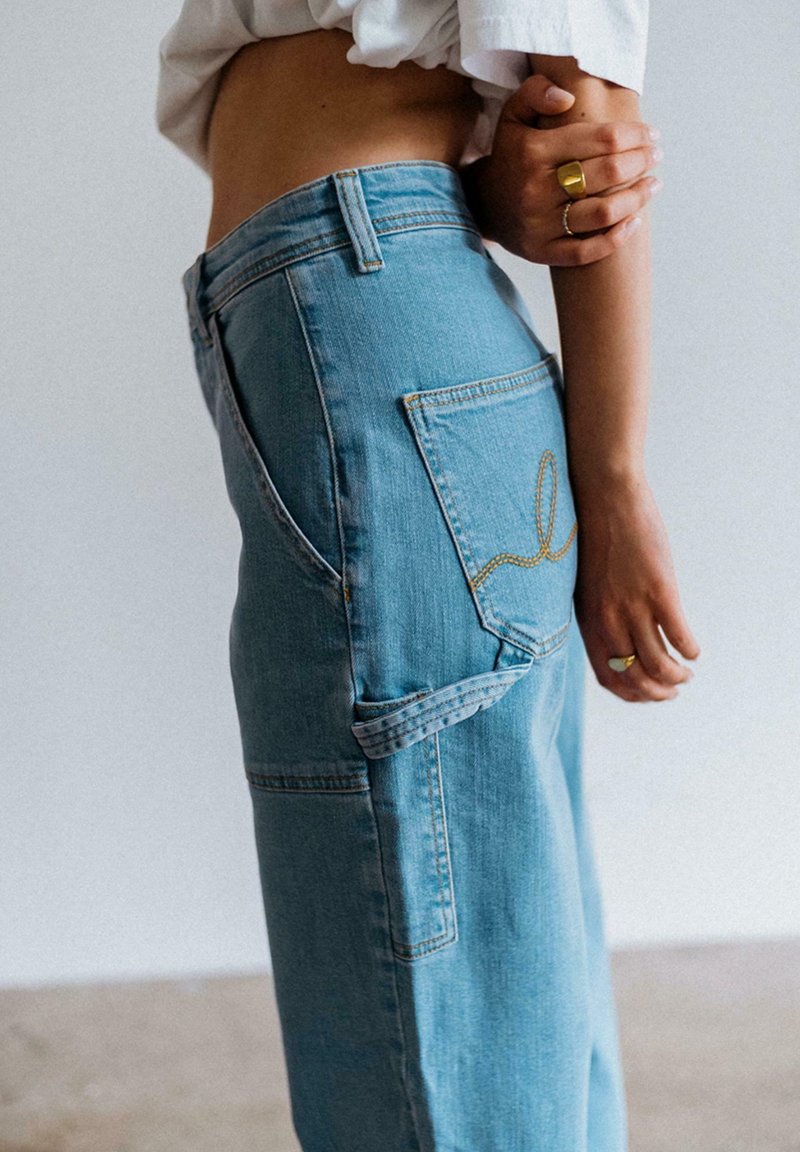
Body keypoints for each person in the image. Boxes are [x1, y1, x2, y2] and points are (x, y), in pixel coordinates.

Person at [157, 5, 701, 1150]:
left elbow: (589, 116)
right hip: (357, 296)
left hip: (374, 314)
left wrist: (613, 481)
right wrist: (483, 183)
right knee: (499, 985)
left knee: (458, 1025)